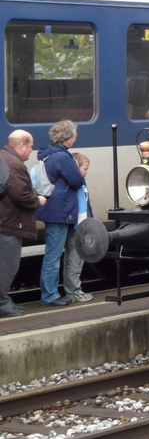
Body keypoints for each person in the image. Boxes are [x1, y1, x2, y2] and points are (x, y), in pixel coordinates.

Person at [35, 120, 85, 306]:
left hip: (56, 211)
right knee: (53, 256)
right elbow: (77, 180)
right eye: (74, 134)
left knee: (54, 255)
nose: (76, 137)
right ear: (68, 137)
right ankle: (50, 295)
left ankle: (54, 293)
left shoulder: (49, 154)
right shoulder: (62, 157)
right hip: (60, 212)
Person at [0, 130, 46, 317]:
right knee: (7, 266)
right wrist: (37, 201)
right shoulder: (13, 163)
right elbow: (20, 194)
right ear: (21, 146)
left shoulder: (4, 157)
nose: (32, 149)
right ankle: (2, 304)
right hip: (10, 223)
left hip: (5, 221)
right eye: (30, 145)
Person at [61, 152, 93, 303]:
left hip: (79, 227)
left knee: (71, 260)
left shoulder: (80, 183)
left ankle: (71, 290)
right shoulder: (76, 185)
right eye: (85, 168)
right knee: (75, 261)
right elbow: (80, 209)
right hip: (76, 228)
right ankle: (73, 291)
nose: (87, 172)